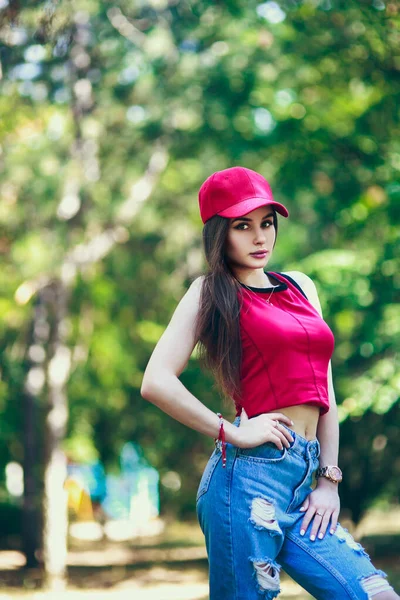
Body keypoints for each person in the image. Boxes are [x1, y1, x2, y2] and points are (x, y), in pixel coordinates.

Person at [140, 166, 398, 600]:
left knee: (372, 593)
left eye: (267, 223)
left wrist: (328, 481)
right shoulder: (210, 293)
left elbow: (325, 393)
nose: (260, 238)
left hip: (305, 479)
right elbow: (156, 381)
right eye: (243, 226)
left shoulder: (300, 286)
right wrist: (234, 431)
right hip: (247, 481)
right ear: (220, 233)